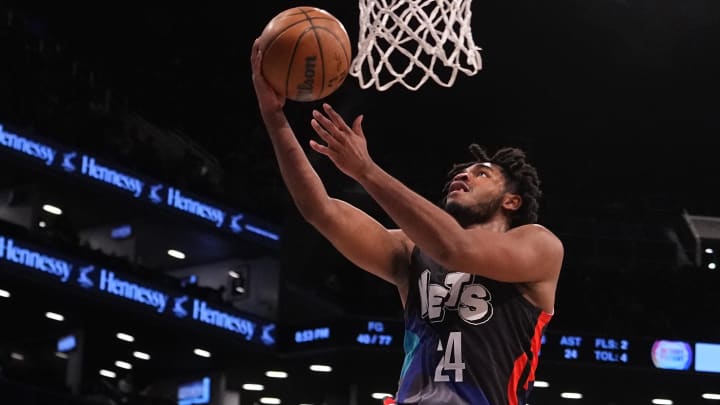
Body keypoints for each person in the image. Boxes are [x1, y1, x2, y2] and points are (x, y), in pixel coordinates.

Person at [251, 40, 564, 405]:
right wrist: (274, 118)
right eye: (460, 173)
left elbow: (457, 249)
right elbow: (320, 209)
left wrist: (366, 171)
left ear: (512, 200)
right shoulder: (411, 250)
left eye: (481, 174)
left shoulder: (539, 246)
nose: (462, 176)